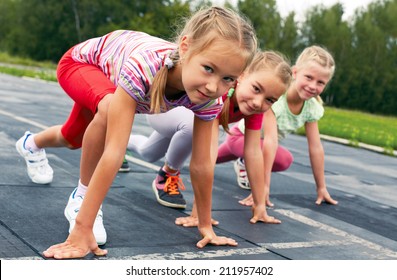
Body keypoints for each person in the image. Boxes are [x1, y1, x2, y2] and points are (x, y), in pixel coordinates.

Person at [41, 6, 258, 259]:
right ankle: (81, 200)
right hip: (81, 65)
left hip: (109, 80)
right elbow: (114, 151)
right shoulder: (146, 67)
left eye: (228, 79)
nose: (213, 86)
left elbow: (201, 165)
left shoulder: (210, 99)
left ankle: (31, 144)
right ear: (185, 47)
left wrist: (205, 225)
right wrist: (83, 227)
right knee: (109, 108)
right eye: (208, 68)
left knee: (70, 138)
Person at [128, 50, 292, 225]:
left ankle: (126, 143)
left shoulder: (255, 108)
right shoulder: (218, 95)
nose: (258, 102)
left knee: (148, 152)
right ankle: (168, 174)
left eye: (270, 100)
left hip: (181, 122)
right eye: (256, 89)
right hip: (162, 111)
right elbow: (207, 155)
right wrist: (198, 214)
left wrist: (260, 205)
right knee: (193, 129)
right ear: (242, 76)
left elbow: (253, 153)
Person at [224, 45, 338, 208]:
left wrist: (321, 187)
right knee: (279, 156)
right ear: (295, 73)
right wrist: (263, 187)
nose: (313, 86)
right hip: (241, 138)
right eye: (309, 77)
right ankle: (243, 162)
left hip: (254, 145)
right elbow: (270, 140)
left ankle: (241, 161)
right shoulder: (275, 98)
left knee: (284, 160)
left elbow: (316, 148)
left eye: (321, 82)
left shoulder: (312, 108)